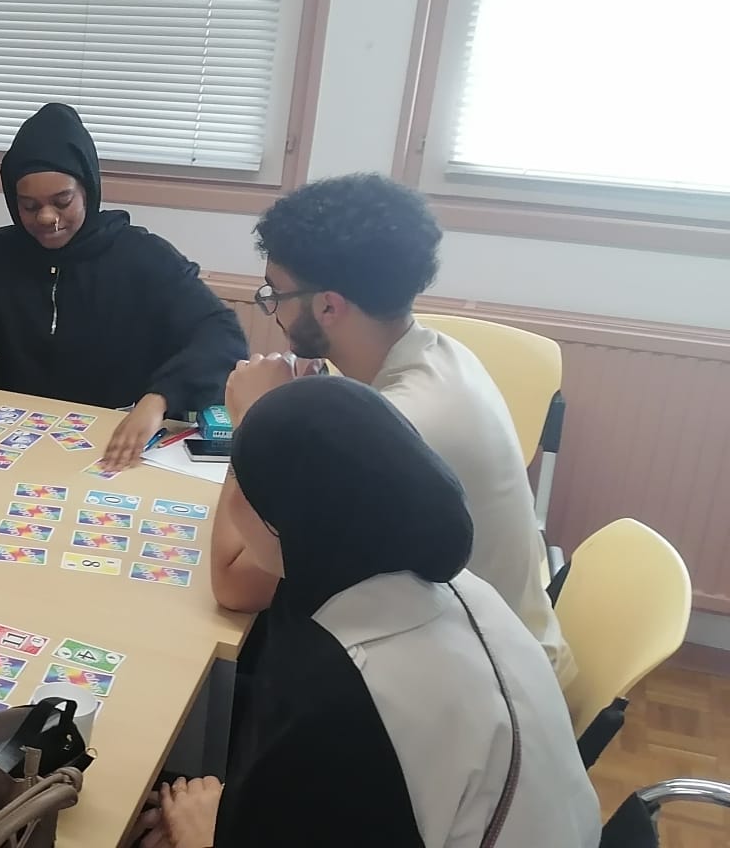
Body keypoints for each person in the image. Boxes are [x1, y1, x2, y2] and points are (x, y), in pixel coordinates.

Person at [137, 377, 598, 848]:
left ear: (287, 521)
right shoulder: (460, 586)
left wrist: (204, 834)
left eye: (240, 477)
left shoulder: (341, 693)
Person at [207, 174, 572, 684]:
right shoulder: (441, 352)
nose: (274, 310)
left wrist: (253, 423)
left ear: (328, 306)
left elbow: (233, 585)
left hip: (482, 688)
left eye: (276, 294)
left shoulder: (399, 431)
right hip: (494, 644)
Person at [0, 103, 246, 469]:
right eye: (29, 206)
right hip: (9, 438)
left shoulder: (142, 256)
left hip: (113, 440)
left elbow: (221, 334)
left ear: (88, 189)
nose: (47, 217)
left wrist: (159, 399)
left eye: (62, 201)